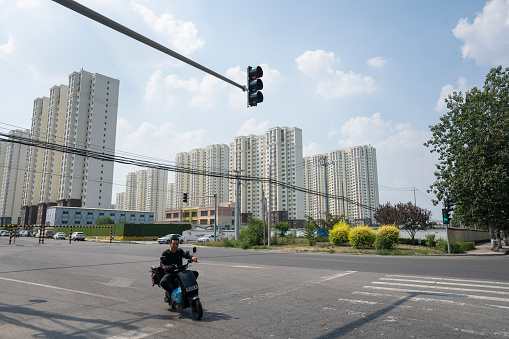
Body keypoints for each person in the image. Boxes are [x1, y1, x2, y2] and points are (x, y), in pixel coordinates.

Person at [159, 236, 198, 302]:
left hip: (180, 271)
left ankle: (187, 291)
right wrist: (164, 266)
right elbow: (162, 263)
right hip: (171, 272)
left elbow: (186, 255)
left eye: (177, 244)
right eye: (174, 244)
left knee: (195, 274)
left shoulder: (179, 251)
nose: (175, 245)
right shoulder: (165, 253)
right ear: (170, 244)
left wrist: (192, 257)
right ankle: (172, 293)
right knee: (162, 282)